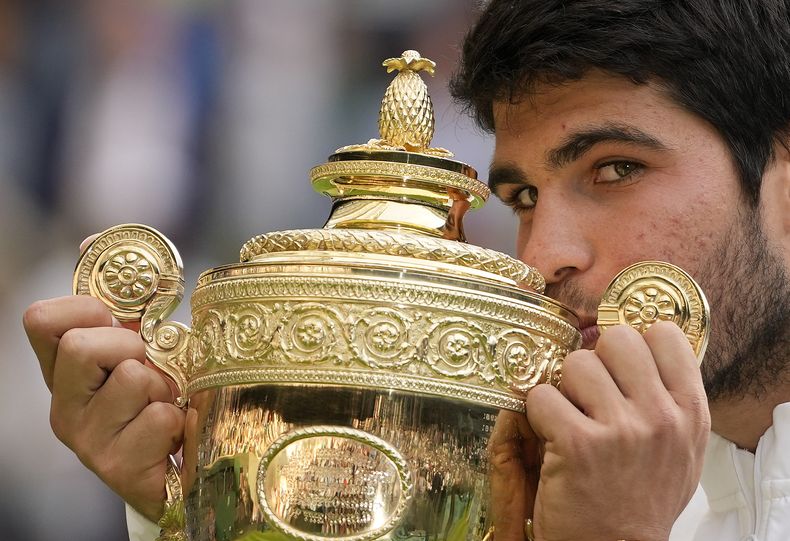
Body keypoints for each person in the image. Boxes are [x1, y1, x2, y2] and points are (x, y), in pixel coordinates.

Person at [23, 0, 790, 540]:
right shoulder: (542, 479)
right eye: (521, 196)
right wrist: (198, 504)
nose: (540, 255)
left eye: (615, 168)